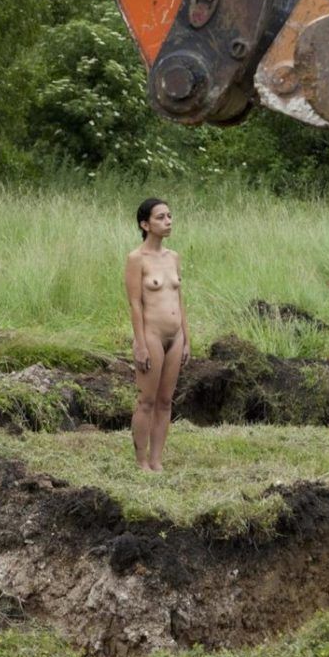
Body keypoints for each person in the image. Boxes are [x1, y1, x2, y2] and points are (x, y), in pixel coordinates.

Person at [124, 197, 189, 471]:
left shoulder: (173, 257)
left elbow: (179, 297)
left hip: (175, 338)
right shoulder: (136, 259)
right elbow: (135, 303)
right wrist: (140, 344)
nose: (168, 221)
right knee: (147, 400)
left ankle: (157, 460)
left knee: (165, 401)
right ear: (145, 224)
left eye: (170, 216)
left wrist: (186, 339)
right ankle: (141, 462)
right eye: (161, 217)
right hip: (151, 335)